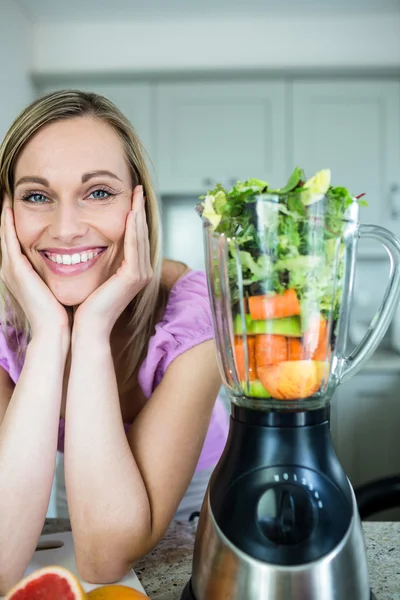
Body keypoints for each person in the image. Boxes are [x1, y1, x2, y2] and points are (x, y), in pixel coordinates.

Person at [0, 90, 229, 593]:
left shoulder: (196, 312)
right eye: (37, 196)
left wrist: (94, 327)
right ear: (6, 213)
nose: (65, 230)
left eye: (98, 192)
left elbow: (106, 559)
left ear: (137, 204)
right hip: (71, 502)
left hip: (191, 539)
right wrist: (50, 334)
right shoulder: (7, 327)